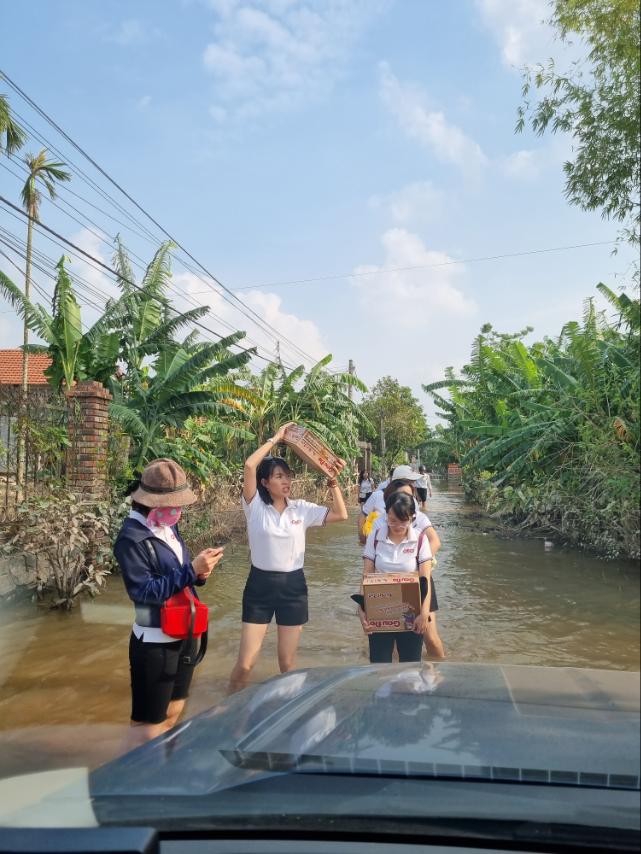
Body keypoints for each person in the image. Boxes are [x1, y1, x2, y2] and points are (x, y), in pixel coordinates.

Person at [229, 423, 349, 691]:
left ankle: (288, 711)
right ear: (265, 482)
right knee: (246, 663)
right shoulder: (254, 508)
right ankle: (229, 713)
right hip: (259, 586)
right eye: (279, 476)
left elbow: (341, 515)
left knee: (287, 664)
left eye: (288, 476)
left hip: (294, 588)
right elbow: (249, 466)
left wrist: (333, 482)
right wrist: (277, 438)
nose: (286, 481)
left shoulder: (302, 510)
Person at [113, 459, 224, 748]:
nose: (179, 511)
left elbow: (179, 573)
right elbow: (144, 592)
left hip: (184, 633)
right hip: (154, 641)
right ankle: (133, 781)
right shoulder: (131, 538)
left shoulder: (168, 528)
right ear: (151, 502)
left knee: (174, 711)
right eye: (172, 504)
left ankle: (161, 771)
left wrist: (199, 573)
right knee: (147, 726)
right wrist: (190, 570)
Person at [358, 492, 434, 663]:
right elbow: (366, 575)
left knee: (411, 668)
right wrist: (362, 610)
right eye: (392, 520)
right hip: (380, 612)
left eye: (403, 521)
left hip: (411, 613)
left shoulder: (420, 540)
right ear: (386, 515)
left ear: (412, 518)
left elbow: (425, 580)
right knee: (379, 666)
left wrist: (424, 613)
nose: (397, 526)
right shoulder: (375, 537)